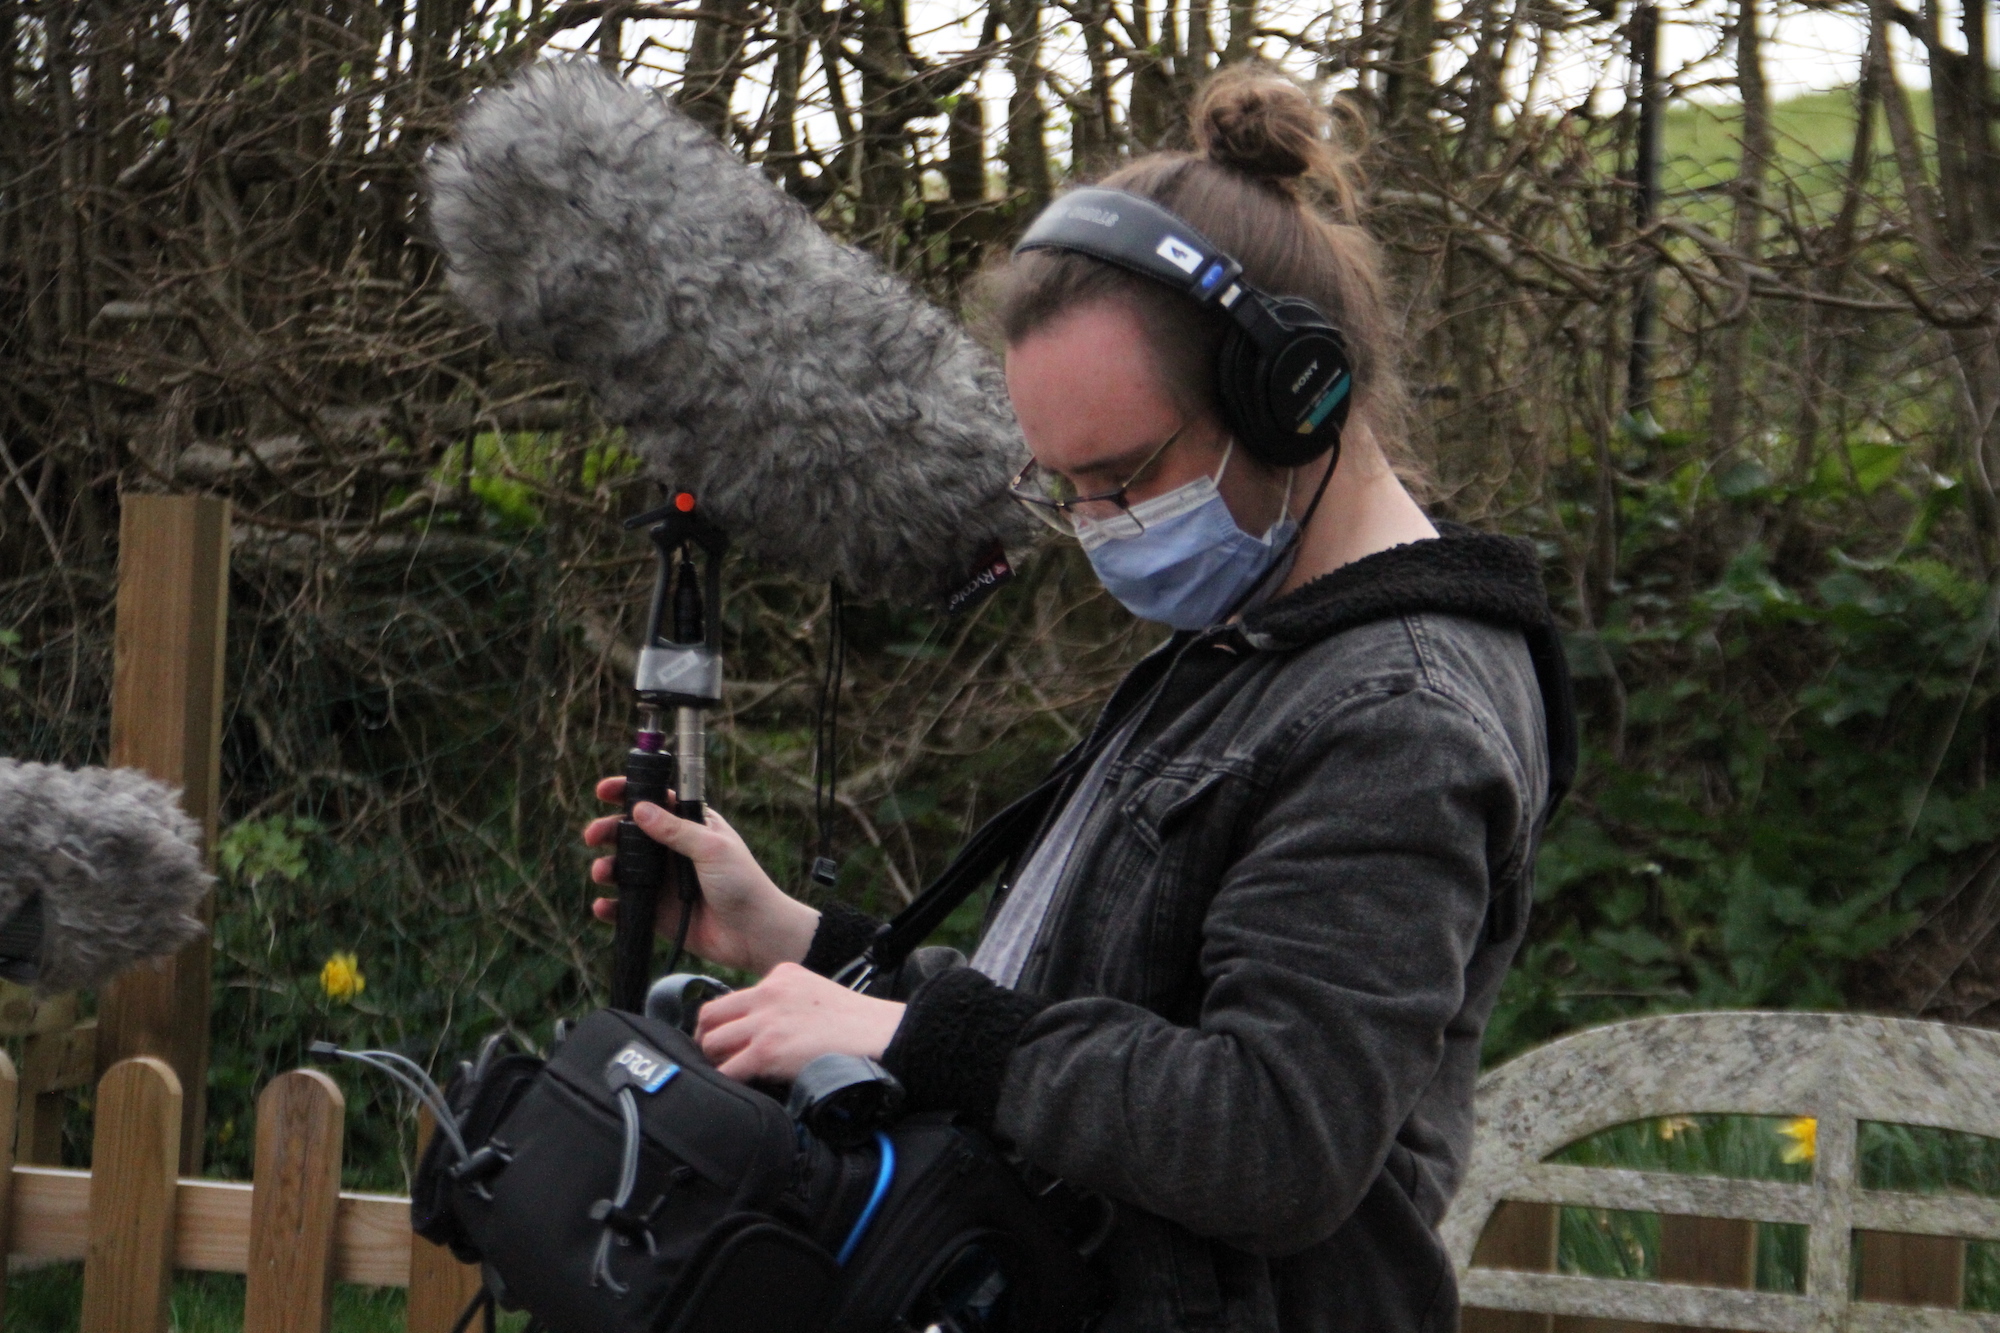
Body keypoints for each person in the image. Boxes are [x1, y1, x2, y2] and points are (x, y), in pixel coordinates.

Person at [582, 67, 1574, 1333]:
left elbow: (1274, 1137)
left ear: (1292, 403)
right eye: (1064, 489)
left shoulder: (1399, 718)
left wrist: (911, 1037)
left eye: (1122, 477)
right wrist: (801, 939)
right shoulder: (1253, 645)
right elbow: (1075, 1007)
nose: (1097, 527)